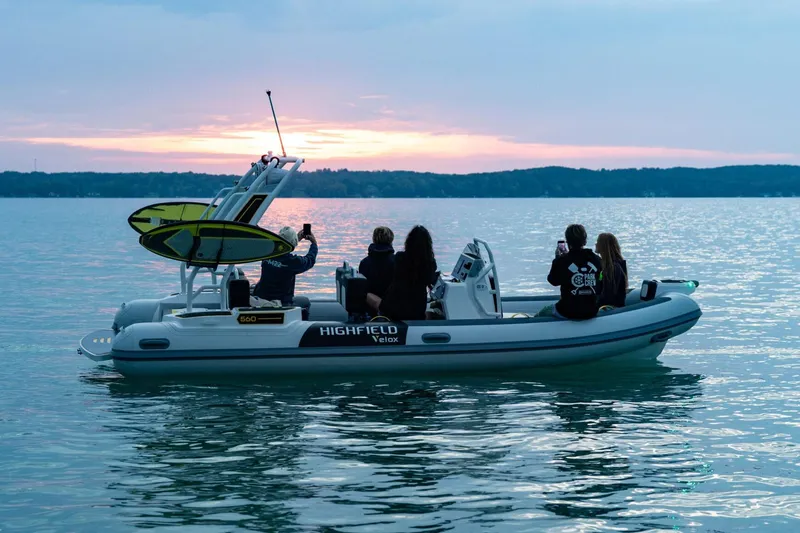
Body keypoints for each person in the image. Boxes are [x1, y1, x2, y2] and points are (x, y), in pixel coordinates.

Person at [366, 225, 437, 321]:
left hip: (393, 309)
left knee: (367, 295)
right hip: (416, 311)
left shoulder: (399, 258)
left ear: (408, 242)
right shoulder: (430, 264)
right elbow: (431, 282)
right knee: (433, 312)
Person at [541, 224, 603, 319]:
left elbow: (553, 281)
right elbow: (601, 281)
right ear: (585, 241)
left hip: (567, 311)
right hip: (591, 310)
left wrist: (557, 259)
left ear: (567, 241)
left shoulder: (562, 261)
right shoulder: (597, 260)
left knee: (543, 313)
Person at [253, 226, 318, 316]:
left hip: (261, 297)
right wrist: (314, 243)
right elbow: (309, 260)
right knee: (305, 302)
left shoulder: (267, 253)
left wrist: (297, 238)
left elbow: (281, 248)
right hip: (281, 303)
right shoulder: (292, 262)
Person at [358, 226, 396, 299]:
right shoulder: (396, 261)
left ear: (374, 239)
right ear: (391, 239)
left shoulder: (364, 262)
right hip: (392, 304)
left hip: (370, 304)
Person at [595, 232, 628, 309]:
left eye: (598, 242)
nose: (596, 244)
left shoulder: (613, 268)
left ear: (603, 246)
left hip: (609, 308)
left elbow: (608, 295)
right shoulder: (610, 265)